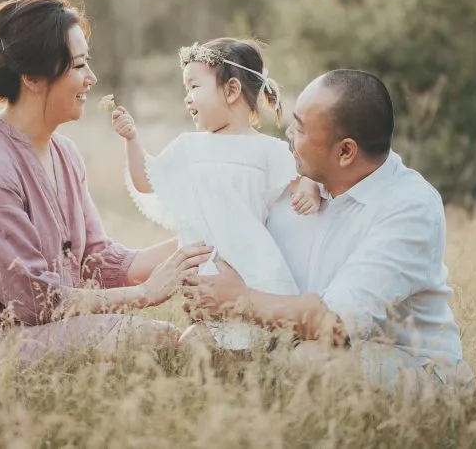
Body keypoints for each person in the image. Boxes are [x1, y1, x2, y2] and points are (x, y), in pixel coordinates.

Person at [0, 0, 213, 367]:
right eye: (80, 65)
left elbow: (95, 261)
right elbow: (34, 301)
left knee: (166, 341)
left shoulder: (64, 154)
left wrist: (202, 240)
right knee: (155, 341)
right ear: (33, 78)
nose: (92, 78)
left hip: (29, 333)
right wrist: (147, 294)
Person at [183, 69, 474, 393]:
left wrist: (236, 300)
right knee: (199, 343)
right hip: (299, 341)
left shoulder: (410, 207)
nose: (289, 133)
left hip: (412, 365)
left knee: (310, 362)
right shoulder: (298, 181)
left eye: (302, 129)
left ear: (346, 151)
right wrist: (202, 286)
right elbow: (233, 235)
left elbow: (335, 324)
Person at [110, 38, 322, 350]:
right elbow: (147, 182)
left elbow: (303, 177)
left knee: (256, 347)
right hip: (207, 281)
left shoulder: (268, 150)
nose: (187, 98)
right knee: (199, 346)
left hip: (257, 274)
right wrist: (132, 141)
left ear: (232, 90)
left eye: (194, 86)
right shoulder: (188, 148)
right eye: (186, 89)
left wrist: (309, 185)